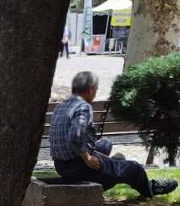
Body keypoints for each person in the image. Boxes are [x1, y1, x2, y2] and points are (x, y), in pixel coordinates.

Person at [51, 71, 177, 199]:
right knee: (135, 168)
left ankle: (114, 164)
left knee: (106, 145)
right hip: (79, 166)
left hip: (61, 166)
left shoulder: (60, 107)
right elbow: (75, 136)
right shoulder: (83, 106)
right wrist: (87, 158)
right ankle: (150, 188)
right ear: (90, 90)